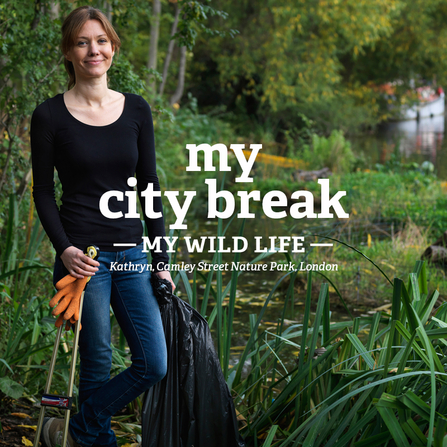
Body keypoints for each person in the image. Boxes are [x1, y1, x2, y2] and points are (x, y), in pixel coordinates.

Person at [30, 5, 174, 447]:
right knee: (94, 363)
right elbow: (42, 193)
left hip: (131, 254)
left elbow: (148, 186)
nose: (94, 50)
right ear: (69, 53)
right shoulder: (50, 115)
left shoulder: (136, 109)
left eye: (101, 41)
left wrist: (162, 261)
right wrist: (63, 249)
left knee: (153, 362)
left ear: (112, 47)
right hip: (83, 260)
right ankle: (95, 441)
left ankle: (78, 428)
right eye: (82, 42)